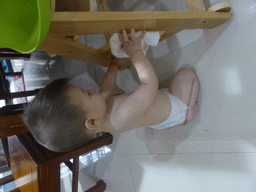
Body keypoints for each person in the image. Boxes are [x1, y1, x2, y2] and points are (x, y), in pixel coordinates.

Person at [22, 28, 200, 152]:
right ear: (91, 122)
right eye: (87, 94)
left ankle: (182, 114)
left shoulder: (99, 112)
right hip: (174, 107)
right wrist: (136, 53)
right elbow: (149, 85)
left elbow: (106, 89)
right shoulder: (120, 116)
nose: (91, 91)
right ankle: (187, 112)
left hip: (156, 115)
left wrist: (114, 65)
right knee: (186, 74)